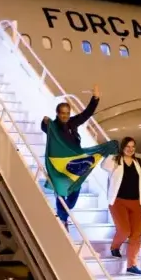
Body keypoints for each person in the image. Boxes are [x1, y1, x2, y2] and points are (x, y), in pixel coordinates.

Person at [41, 87, 101, 230]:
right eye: (63, 113)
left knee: (73, 195)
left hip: (75, 164)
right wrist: (44, 122)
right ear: (57, 113)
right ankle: (63, 220)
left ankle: (63, 215)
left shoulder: (72, 122)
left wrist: (95, 98)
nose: (65, 116)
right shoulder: (53, 126)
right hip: (60, 166)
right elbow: (45, 128)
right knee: (61, 193)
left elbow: (87, 113)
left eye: (67, 113)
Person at [101, 137, 141, 276]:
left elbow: (140, 182)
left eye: (133, 146)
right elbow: (103, 166)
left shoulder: (138, 162)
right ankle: (115, 246)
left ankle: (131, 265)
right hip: (118, 201)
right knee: (124, 230)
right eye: (127, 146)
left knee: (136, 234)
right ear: (122, 147)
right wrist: (112, 152)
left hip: (135, 202)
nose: (130, 149)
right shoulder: (115, 160)